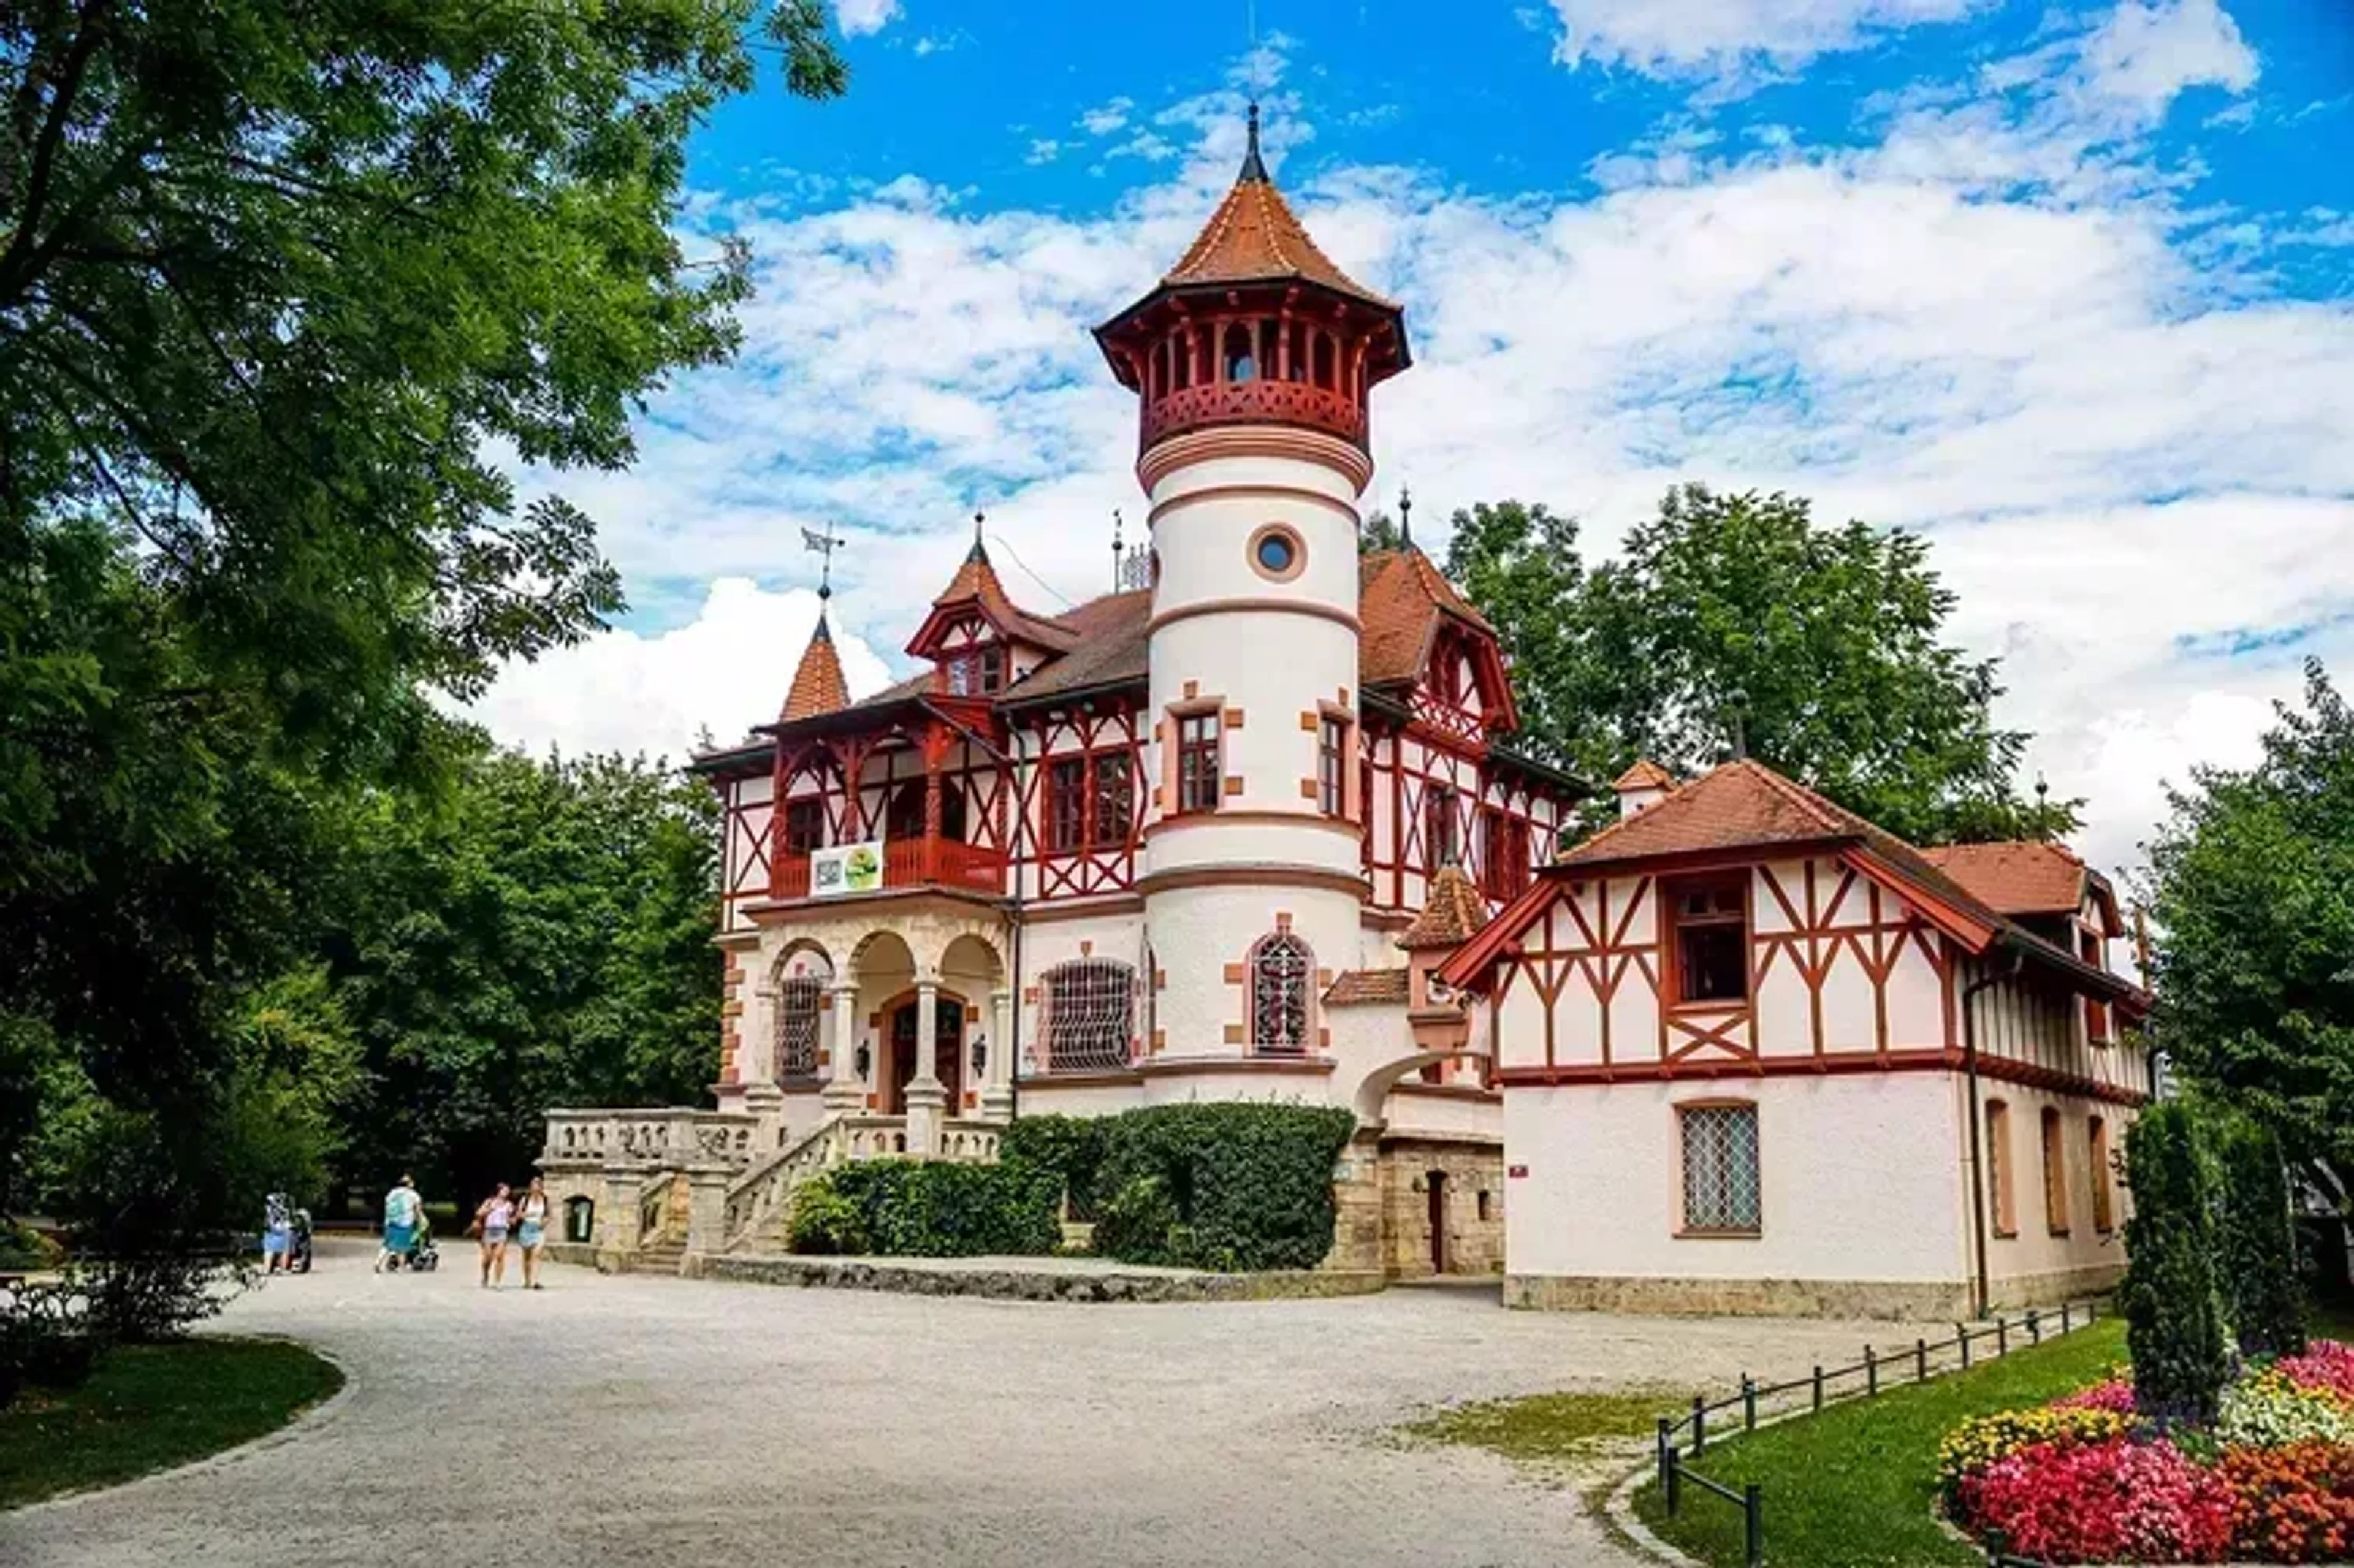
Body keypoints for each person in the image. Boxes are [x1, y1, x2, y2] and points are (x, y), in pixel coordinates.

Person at [376, 1174, 423, 1273]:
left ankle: (378, 1262)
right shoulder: (413, 1195)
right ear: (409, 1184)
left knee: (387, 1245)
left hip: (391, 1222)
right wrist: (419, 1221)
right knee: (402, 1247)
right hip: (405, 1224)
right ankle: (402, 1267)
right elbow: (418, 1211)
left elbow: (387, 1206)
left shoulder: (392, 1193)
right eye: (411, 1182)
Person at [473, 1182, 515, 1288]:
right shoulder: (489, 1202)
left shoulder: (509, 1205)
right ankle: (485, 1275)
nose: (506, 1192)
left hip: (502, 1231)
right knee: (488, 1257)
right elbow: (479, 1214)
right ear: (498, 1191)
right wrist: (490, 1209)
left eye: (508, 1191)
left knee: (499, 1256)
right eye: (504, 1190)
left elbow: (511, 1219)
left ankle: (498, 1281)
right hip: (489, 1231)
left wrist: (511, 1220)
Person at [514, 1176, 551, 1291]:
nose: (536, 1188)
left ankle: (535, 1281)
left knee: (537, 1255)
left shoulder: (545, 1199)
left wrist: (545, 1222)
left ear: (541, 1187)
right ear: (531, 1187)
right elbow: (519, 1214)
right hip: (526, 1228)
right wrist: (527, 1215)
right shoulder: (525, 1199)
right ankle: (527, 1280)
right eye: (534, 1185)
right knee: (527, 1257)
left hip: (538, 1230)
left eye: (538, 1185)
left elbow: (549, 1215)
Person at [261, 1190, 294, 1275]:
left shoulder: (268, 1208)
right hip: (283, 1227)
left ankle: (266, 1269)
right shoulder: (285, 1208)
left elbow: (267, 1218)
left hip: (271, 1228)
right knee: (284, 1249)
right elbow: (289, 1217)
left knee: (269, 1249)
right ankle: (282, 1269)